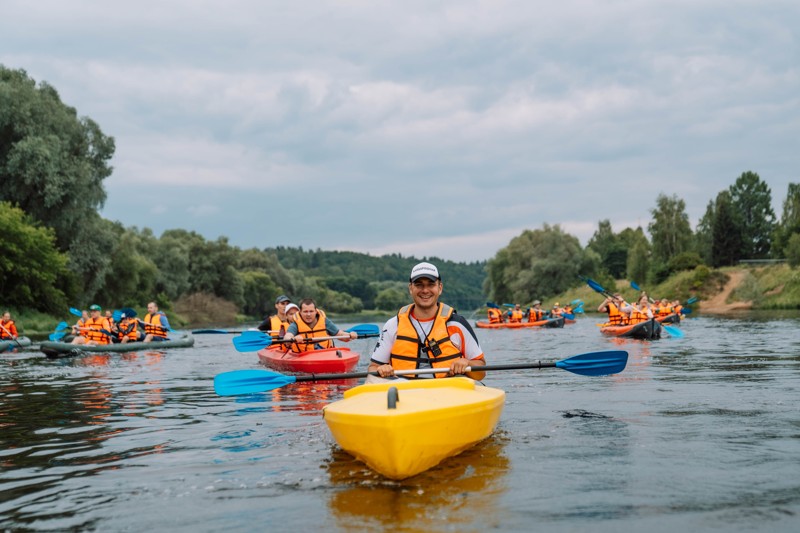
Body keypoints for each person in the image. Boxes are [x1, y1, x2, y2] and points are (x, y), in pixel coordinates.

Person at [368, 262, 486, 381]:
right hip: (404, 392)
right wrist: (381, 369)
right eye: (419, 285)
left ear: (440, 288)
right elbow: (373, 368)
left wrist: (467, 363)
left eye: (431, 285)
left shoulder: (457, 324)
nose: (425, 290)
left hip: (448, 392)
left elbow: (481, 371)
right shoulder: (393, 325)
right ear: (410, 288)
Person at [281, 298, 356, 352]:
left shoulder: (325, 321)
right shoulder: (295, 324)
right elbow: (288, 336)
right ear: (300, 312)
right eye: (305, 311)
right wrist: (292, 338)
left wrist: (350, 335)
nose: (308, 314)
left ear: (316, 311)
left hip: (324, 352)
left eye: (311, 311)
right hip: (304, 354)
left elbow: (340, 334)